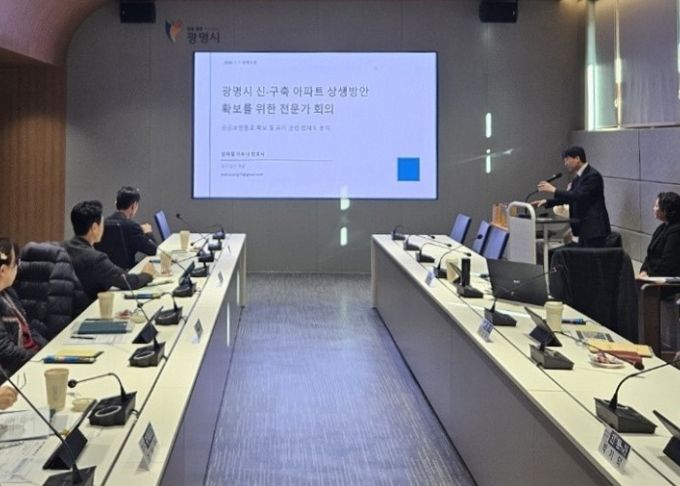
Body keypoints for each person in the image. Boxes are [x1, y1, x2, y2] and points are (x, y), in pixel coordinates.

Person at [64, 200, 156, 304]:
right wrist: (147, 274)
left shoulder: (62, 248)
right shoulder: (96, 259)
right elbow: (128, 282)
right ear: (94, 228)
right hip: (87, 309)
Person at [532, 146, 611, 248]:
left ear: (577, 158)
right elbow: (569, 198)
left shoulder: (592, 176)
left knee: (591, 257)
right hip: (582, 228)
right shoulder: (578, 177)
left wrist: (554, 190)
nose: (565, 163)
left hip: (594, 229)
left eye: (567, 160)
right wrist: (546, 202)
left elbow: (578, 196)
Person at [0, 238, 46, 376]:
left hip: (30, 360)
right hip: (16, 372)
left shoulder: (8, 292)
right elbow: (5, 350)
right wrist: (37, 359)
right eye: (16, 263)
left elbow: (28, 328)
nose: (18, 267)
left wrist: (47, 349)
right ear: (3, 270)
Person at [105, 186, 157, 268]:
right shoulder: (132, 227)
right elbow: (153, 250)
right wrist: (148, 232)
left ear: (116, 203)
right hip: (128, 272)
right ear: (134, 206)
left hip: (107, 271)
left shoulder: (103, 224)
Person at [639, 192, 680, 278]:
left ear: (665, 211)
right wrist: (644, 270)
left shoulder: (676, 233)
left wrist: (649, 274)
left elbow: (668, 265)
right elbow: (650, 255)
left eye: (656, 206)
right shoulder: (662, 228)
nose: (653, 208)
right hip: (654, 274)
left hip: (667, 280)